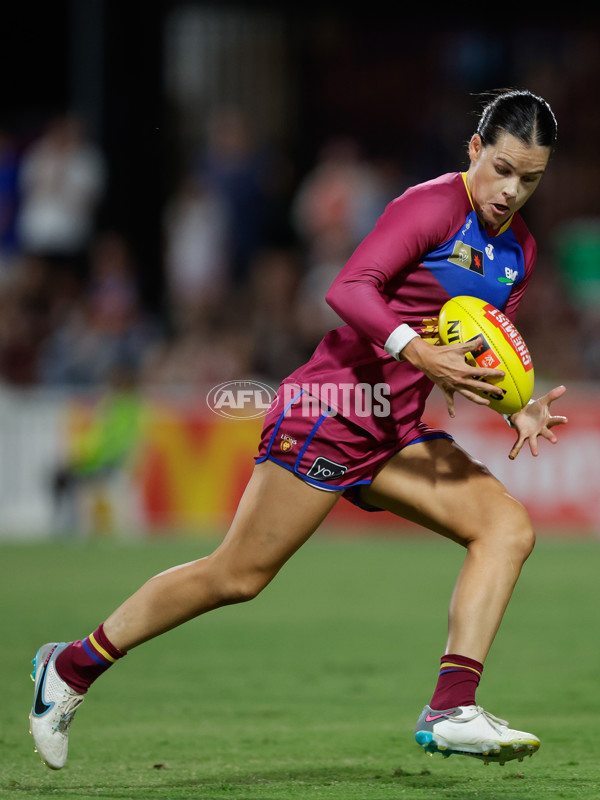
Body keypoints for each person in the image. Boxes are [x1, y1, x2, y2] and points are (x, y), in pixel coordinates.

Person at [29, 89, 568, 771]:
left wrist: (515, 405)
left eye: (530, 179)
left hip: (394, 431)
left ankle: (451, 709)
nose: (511, 190)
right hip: (330, 411)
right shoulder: (431, 207)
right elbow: (348, 288)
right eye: (503, 168)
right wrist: (419, 352)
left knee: (507, 527)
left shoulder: (519, 250)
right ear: (474, 151)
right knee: (237, 576)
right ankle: (69, 668)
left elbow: (485, 352)